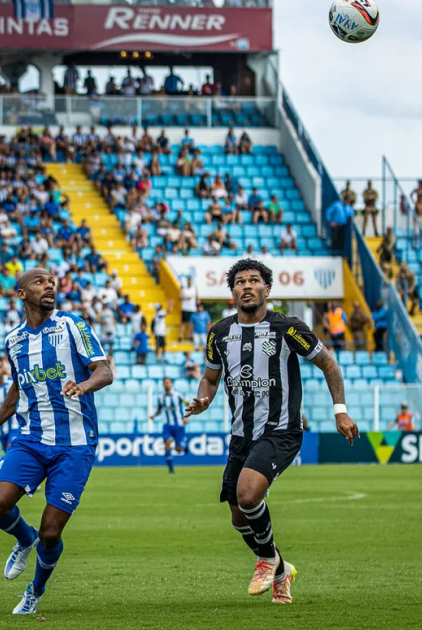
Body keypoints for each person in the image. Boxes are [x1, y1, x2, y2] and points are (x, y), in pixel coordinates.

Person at [186, 259, 359, 605]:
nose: (246, 286)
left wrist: (340, 411)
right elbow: (210, 376)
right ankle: (281, 569)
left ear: (267, 289)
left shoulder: (288, 328)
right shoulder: (219, 333)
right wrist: (205, 397)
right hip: (241, 435)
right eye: (239, 281)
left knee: (248, 495)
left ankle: (266, 561)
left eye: (254, 280)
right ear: (232, 291)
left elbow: (328, 364)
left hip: (281, 430)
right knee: (237, 515)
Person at [0, 268, 113, 615]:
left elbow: (104, 370)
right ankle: (23, 539)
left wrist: (84, 385)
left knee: (51, 532)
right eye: (39, 282)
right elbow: (17, 389)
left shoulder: (72, 326)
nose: (49, 286)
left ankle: (35, 591)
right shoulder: (14, 340)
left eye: (52, 282)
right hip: (30, 439)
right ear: (21, 294)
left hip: (74, 444)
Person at [149, 377, 190, 474]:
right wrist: (154, 415)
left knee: (178, 449)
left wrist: (187, 417)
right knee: (167, 443)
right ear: (163, 384)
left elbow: (188, 404)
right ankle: (171, 469)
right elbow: (159, 409)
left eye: (168, 382)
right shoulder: (160, 397)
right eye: (165, 382)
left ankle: (184, 446)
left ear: (171, 384)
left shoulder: (178, 395)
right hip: (167, 425)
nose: (166, 384)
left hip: (178, 424)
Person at [179, 276, 198, 343]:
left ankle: (189, 337)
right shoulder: (183, 288)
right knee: (183, 323)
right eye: (188, 281)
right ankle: (180, 337)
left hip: (192, 308)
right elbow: (179, 297)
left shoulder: (194, 289)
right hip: (185, 308)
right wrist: (186, 298)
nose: (189, 282)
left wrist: (197, 306)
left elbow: (197, 298)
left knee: (191, 324)